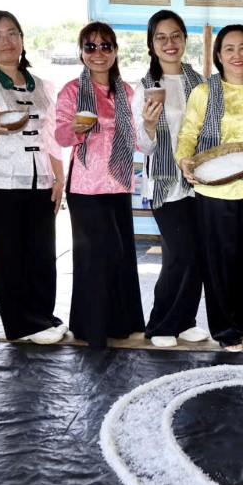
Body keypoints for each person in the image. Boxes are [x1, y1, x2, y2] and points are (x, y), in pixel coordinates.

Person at [0, 10, 66, 345]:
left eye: (13, 34)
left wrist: (58, 178)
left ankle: (43, 316)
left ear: (22, 39)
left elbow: (51, 136)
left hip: (40, 179)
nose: (6, 42)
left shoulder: (43, 85)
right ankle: (22, 326)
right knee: (6, 254)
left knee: (41, 251)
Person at [177, 25, 243, 352]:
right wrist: (184, 160)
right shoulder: (204, 91)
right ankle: (223, 328)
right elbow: (189, 132)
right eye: (229, 49)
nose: (237, 55)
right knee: (217, 261)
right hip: (213, 191)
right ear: (218, 55)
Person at [55, 22, 144, 349]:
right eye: (90, 47)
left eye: (105, 46)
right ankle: (91, 328)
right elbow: (61, 136)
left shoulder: (127, 92)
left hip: (119, 183)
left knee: (120, 254)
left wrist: (148, 123)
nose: (98, 53)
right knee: (94, 257)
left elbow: (136, 140)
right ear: (81, 52)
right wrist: (78, 128)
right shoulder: (71, 91)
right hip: (85, 186)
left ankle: (120, 325)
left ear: (116, 51)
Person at [133, 10, 209, 348]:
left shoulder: (200, 82)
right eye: (161, 37)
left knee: (198, 254)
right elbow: (143, 145)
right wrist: (149, 126)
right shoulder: (145, 86)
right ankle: (160, 325)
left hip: (200, 180)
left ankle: (186, 321)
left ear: (185, 39)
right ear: (151, 44)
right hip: (166, 182)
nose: (170, 43)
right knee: (179, 254)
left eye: (176, 35)